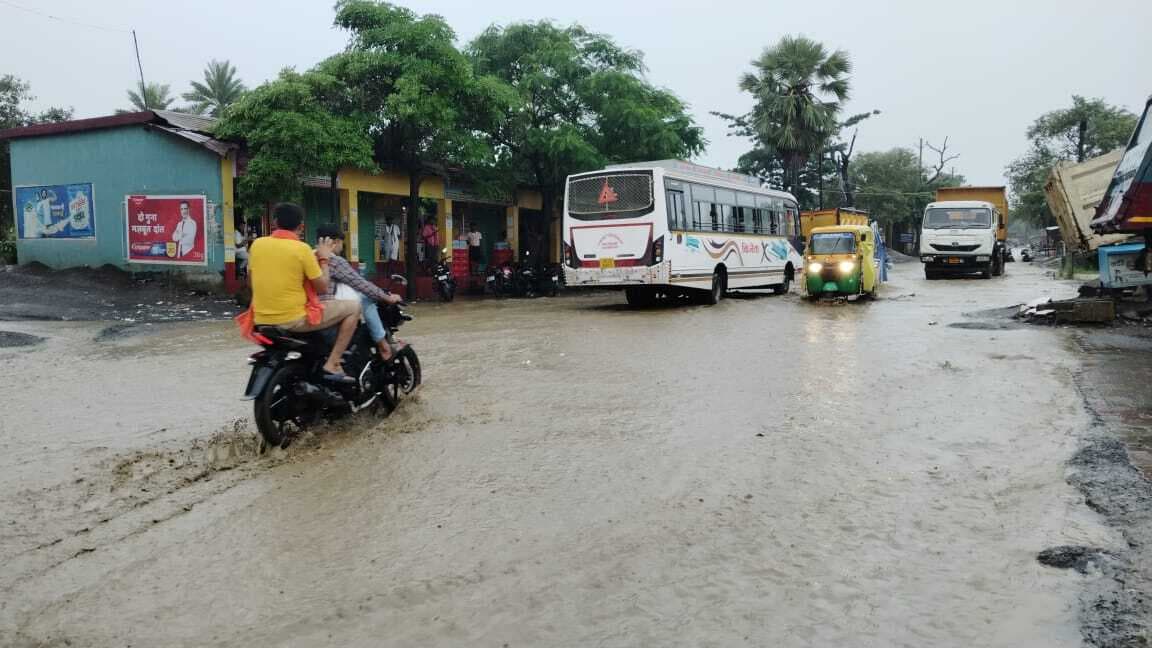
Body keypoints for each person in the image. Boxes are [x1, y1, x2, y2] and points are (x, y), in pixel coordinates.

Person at [248, 203, 361, 382]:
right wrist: (323, 258)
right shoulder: (303, 249)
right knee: (354, 307)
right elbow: (322, 287)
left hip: (260, 320)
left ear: (275, 223)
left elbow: (251, 281)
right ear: (301, 227)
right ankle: (332, 363)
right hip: (292, 320)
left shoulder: (257, 245)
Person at [315, 225, 405, 360]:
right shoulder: (334, 261)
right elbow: (361, 284)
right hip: (327, 317)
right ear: (335, 242)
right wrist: (387, 297)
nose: (342, 247)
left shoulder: (308, 256)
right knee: (364, 298)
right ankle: (383, 345)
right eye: (341, 243)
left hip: (308, 314)